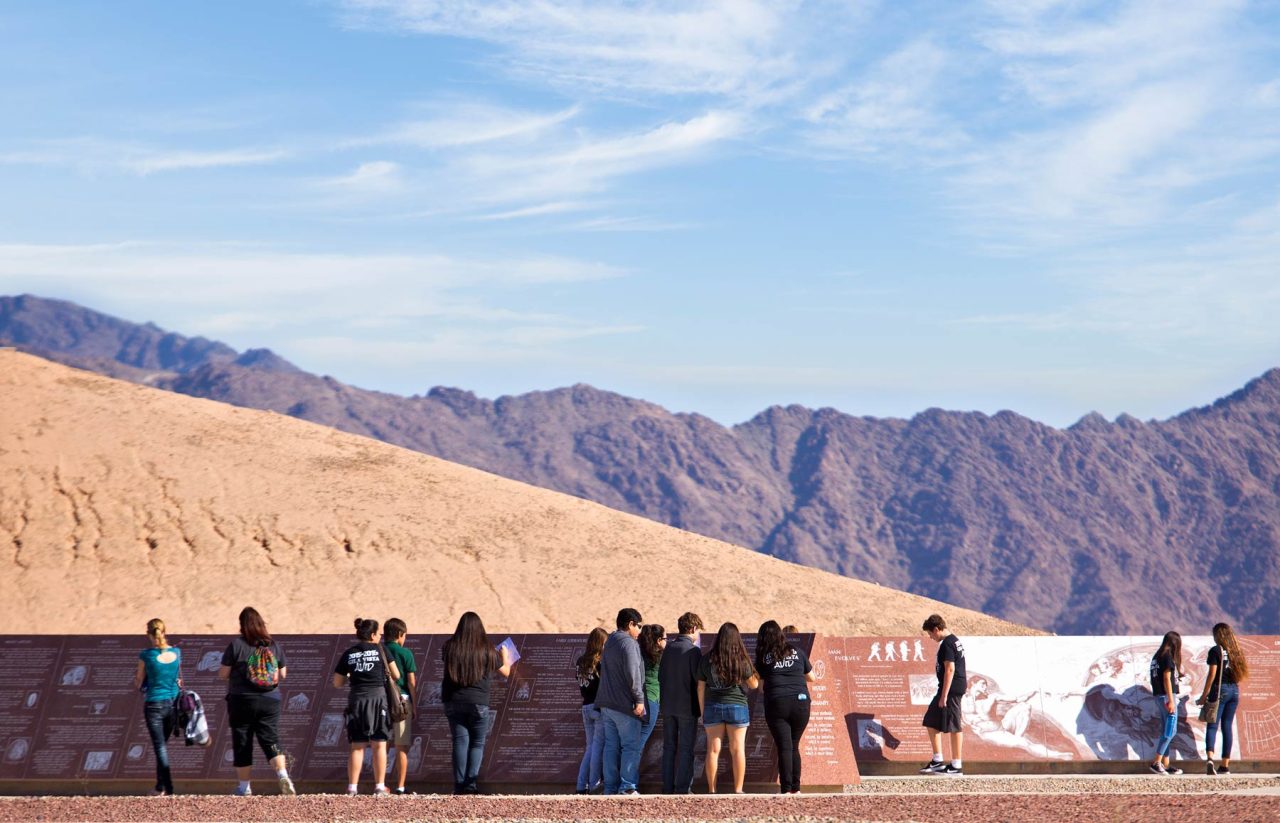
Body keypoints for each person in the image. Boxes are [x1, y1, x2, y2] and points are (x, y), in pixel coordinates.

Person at [218, 606, 296, 796]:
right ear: (262, 624)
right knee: (271, 738)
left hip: (241, 700)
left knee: (242, 740)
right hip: (270, 700)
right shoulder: (273, 645)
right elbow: (283, 674)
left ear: (242, 625)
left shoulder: (236, 645)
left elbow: (223, 674)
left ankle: (244, 787)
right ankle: (283, 774)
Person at [440, 611, 513, 794]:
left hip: (453, 700)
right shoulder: (487, 649)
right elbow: (505, 672)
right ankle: (470, 785)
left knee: (460, 742)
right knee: (477, 743)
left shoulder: (450, 647)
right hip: (479, 702)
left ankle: (458, 785)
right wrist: (505, 655)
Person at [333, 618, 401, 796]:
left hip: (356, 700)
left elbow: (337, 682)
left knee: (357, 746)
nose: (380, 636)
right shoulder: (381, 650)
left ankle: (352, 788)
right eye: (379, 633)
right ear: (372, 635)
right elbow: (396, 674)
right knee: (379, 744)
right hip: (378, 700)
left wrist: (354, 675)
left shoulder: (349, 653)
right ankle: (379, 786)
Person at [697, 622, 759, 794]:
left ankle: (712, 789)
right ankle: (738, 789)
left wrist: (702, 712)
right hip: (737, 706)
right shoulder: (740, 659)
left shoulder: (706, 659)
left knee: (713, 749)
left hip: (713, 706)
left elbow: (700, 688)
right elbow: (753, 685)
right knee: (737, 748)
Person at [755, 620, 815, 794]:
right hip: (801, 702)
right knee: (794, 746)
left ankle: (786, 789)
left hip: (777, 703)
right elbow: (812, 677)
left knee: (784, 747)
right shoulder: (797, 651)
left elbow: (760, 688)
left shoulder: (765, 656)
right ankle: (796, 788)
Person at [596, 607, 646, 795]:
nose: (639, 631)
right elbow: (633, 675)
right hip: (624, 705)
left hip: (607, 704)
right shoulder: (629, 643)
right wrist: (639, 700)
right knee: (630, 746)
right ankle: (627, 787)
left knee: (611, 746)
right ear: (630, 624)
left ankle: (610, 787)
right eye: (638, 626)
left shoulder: (610, 641)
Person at [134, 618, 181, 796]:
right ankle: (160, 786)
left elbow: (139, 681)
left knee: (160, 746)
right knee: (163, 745)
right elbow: (176, 678)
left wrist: (139, 683)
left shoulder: (146, 655)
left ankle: (166, 788)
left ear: (148, 634)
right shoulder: (177, 652)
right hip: (172, 703)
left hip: (154, 703)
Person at [659, 612, 704, 794]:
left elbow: (661, 676)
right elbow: (698, 680)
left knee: (669, 747)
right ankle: (683, 788)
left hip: (668, 706)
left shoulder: (668, 648)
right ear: (693, 628)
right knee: (686, 749)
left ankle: (667, 787)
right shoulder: (694, 651)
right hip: (687, 707)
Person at [1197, 622, 1248, 775]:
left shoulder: (1215, 651)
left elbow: (1212, 674)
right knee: (1227, 727)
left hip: (1220, 690)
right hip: (1234, 690)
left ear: (1218, 636)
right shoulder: (1236, 652)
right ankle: (1225, 765)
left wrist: (1204, 696)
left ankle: (1210, 759)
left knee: (1212, 724)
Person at [918, 614, 965, 776]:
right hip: (946, 689)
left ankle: (956, 765)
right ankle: (937, 760)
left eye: (931, 634)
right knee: (931, 720)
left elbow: (950, 669)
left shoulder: (948, 644)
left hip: (951, 690)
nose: (930, 637)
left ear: (937, 629)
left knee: (954, 725)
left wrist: (944, 696)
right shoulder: (952, 641)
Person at [382, 617, 417, 794]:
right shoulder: (406, 654)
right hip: (402, 702)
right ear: (399, 634)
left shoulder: (379, 650)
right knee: (401, 747)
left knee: (383, 745)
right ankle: (401, 786)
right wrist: (414, 704)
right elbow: (411, 682)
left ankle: (380, 784)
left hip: (382, 701)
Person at [574, 627, 608, 794]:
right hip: (598, 707)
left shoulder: (580, 661)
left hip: (585, 706)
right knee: (597, 748)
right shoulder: (600, 663)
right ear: (600, 643)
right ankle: (594, 784)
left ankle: (581, 785)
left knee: (590, 747)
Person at [1147, 631, 1184, 775]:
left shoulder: (1157, 656)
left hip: (1159, 696)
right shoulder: (1167, 656)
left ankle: (1165, 764)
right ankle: (1156, 762)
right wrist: (1171, 700)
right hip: (1167, 697)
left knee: (1165, 731)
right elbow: (1166, 678)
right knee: (1170, 731)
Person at [637, 624, 666, 753]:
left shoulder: (639, 652)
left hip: (637, 698)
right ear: (659, 640)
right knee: (641, 739)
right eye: (665, 639)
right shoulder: (661, 656)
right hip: (652, 699)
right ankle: (628, 772)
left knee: (632, 740)